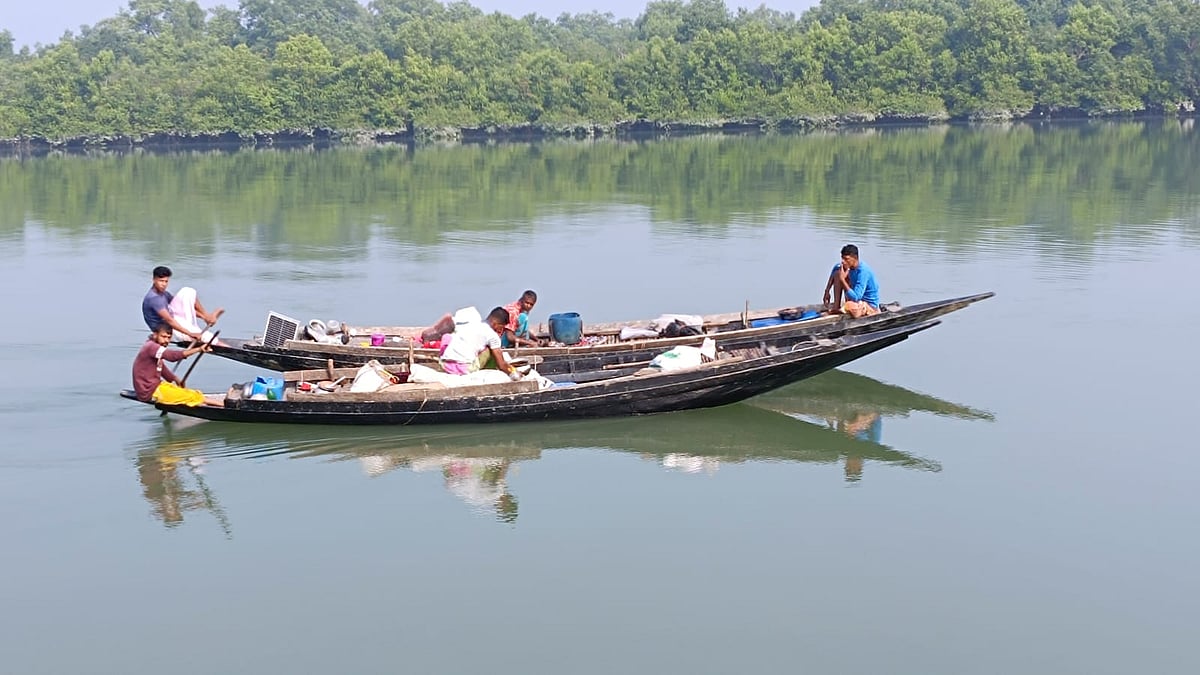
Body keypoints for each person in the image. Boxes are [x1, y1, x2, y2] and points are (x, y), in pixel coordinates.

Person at [132, 323, 225, 407]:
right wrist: (199, 349)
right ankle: (223, 405)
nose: (166, 340)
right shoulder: (151, 347)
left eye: (169, 337)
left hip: (156, 386)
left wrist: (176, 379)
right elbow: (172, 356)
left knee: (189, 392)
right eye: (163, 337)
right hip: (149, 391)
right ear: (155, 335)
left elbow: (161, 368)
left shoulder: (154, 348)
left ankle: (214, 403)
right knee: (190, 396)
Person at [141, 265, 225, 344]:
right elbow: (169, 320)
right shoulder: (154, 299)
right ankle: (225, 346)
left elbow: (182, 307)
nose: (164, 284)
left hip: (175, 323)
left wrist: (203, 317)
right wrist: (190, 333)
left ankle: (207, 317)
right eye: (161, 281)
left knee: (188, 291)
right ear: (154, 280)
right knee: (208, 338)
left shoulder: (164, 294)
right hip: (166, 333)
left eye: (166, 281)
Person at [439, 307, 521, 378]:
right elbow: (501, 365)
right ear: (496, 324)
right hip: (464, 368)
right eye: (501, 327)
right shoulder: (492, 335)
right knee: (490, 350)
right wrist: (513, 373)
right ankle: (489, 371)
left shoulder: (471, 324)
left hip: (445, 365)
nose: (501, 330)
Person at [822, 244, 880, 318]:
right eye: (842, 258)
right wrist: (827, 291)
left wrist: (842, 279)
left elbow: (856, 297)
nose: (843, 262)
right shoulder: (846, 266)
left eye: (846, 259)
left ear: (855, 258)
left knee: (850, 306)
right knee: (838, 273)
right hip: (855, 301)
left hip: (868, 305)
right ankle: (836, 307)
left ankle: (843, 309)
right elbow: (835, 269)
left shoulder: (863, 272)